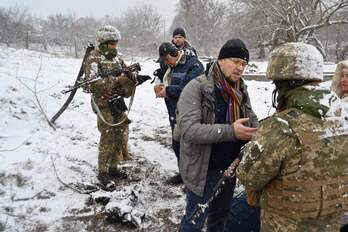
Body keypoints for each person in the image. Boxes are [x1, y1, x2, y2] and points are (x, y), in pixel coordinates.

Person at [237, 42, 348, 231]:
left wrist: (249, 150)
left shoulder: (281, 127)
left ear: (281, 83)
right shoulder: (343, 114)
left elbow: (249, 176)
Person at [176, 38, 258, 232]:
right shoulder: (197, 88)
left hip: (230, 168)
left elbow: (251, 117)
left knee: (220, 219)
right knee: (194, 221)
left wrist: (257, 129)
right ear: (221, 60)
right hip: (204, 169)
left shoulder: (240, 90)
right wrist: (231, 131)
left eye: (244, 64)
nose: (240, 67)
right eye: (236, 61)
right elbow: (189, 130)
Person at [83, 25, 136, 185]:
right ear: (103, 43)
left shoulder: (117, 59)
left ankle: (113, 167)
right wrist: (116, 80)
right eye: (111, 43)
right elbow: (92, 83)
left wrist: (131, 78)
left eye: (115, 43)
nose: (114, 46)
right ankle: (103, 171)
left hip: (117, 102)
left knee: (119, 134)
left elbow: (127, 74)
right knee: (107, 136)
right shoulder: (94, 58)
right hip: (103, 103)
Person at [154, 42, 204, 184]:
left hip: (190, 113)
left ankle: (194, 178)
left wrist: (168, 91)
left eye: (166, 59)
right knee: (177, 145)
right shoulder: (170, 65)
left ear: (174, 54)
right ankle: (183, 174)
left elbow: (190, 89)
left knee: (191, 148)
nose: (165, 63)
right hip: (174, 113)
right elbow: (161, 74)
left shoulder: (194, 65)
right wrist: (158, 81)